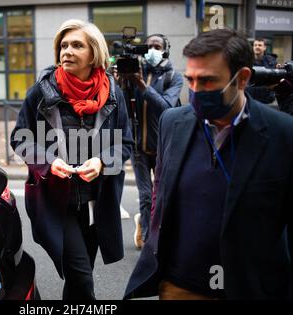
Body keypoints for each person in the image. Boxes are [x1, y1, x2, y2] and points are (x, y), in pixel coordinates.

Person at [125, 28, 293, 300]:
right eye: (190, 79)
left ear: (242, 79)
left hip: (249, 289)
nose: (195, 91)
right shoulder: (173, 122)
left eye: (207, 81)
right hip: (180, 286)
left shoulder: (283, 134)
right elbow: (162, 195)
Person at [10, 19, 132, 300]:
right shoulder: (41, 92)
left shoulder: (114, 94)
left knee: (80, 276)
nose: (67, 51)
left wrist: (101, 162)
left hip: (95, 201)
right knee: (82, 277)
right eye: (63, 45)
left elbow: (125, 143)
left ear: (94, 54)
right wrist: (49, 162)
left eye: (77, 45)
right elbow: (21, 138)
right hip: (56, 201)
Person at [122, 34, 183, 250]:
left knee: (162, 195)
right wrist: (122, 81)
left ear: (165, 49)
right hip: (138, 146)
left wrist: (141, 86)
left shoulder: (173, 76)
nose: (152, 50)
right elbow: (121, 104)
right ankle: (149, 239)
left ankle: (158, 232)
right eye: (148, 46)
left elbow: (167, 106)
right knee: (146, 196)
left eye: (157, 46)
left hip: (163, 147)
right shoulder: (135, 72)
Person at [246, 38, 277, 104]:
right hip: (249, 98)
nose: (257, 47)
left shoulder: (271, 61)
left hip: (265, 100)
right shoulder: (246, 60)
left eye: (260, 45)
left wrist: (271, 95)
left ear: (264, 47)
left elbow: (274, 79)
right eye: (255, 45)